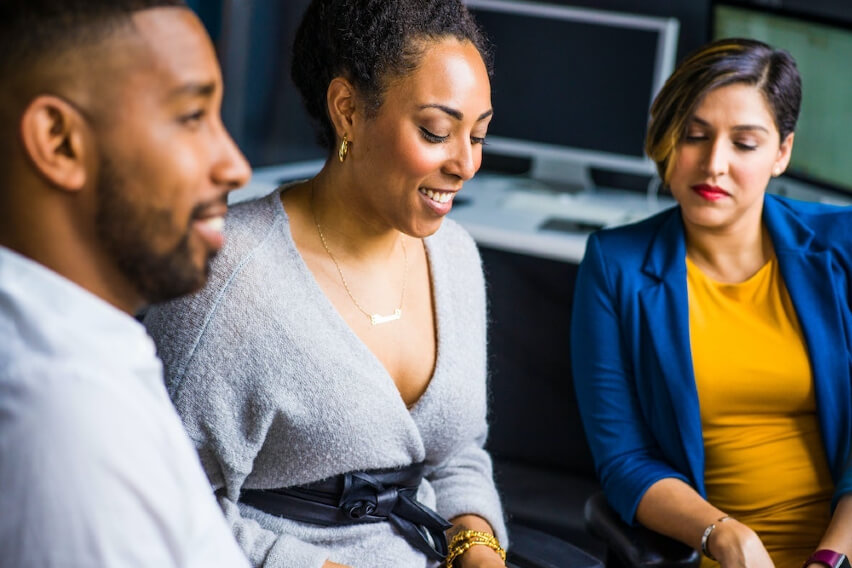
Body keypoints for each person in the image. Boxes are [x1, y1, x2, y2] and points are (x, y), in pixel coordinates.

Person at [143, 0, 507, 567]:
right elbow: (162, 504)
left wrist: (479, 546)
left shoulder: (455, 257)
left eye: (479, 135)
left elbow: (459, 454)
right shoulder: (228, 277)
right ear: (347, 110)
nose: (465, 163)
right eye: (436, 131)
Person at [571, 38, 852, 568]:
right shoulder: (615, 266)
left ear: (782, 153)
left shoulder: (843, 246)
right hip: (715, 552)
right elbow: (625, 461)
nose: (713, 163)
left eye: (745, 143)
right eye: (694, 136)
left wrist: (831, 560)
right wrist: (724, 536)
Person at [0, 1, 252, 566]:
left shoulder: (80, 355)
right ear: (60, 142)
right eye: (192, 117)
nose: (235, 165)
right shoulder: (65, 421)